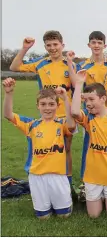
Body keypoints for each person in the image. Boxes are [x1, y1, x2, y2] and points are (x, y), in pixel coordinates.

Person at [9, 31, 77, 191]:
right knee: (45, 148)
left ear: (62, 45)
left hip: (65, 116)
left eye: (55, 44)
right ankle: (44, 181)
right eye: (49, 45)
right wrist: (25, 48)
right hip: (47, 115)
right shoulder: (40, 63)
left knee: (65, 149)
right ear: (45, 46)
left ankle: (67, 182)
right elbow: (14, 67)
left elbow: (76, 84)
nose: (53, 48)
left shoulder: (70, 63)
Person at [3, 78, 75, 219]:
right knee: (43, 217)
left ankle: (65, 201)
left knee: (64, 216)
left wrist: (66, 99)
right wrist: (9, 93)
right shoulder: (31, 124)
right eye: (43, 104)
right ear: (38, 106)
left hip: (58, 175)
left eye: (51, 104)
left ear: (57, 105)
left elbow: (72, 125)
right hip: (37, 176)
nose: (47, 108)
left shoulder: (62, 124)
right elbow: (8, 115)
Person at [70, 70, 107, 218]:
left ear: (103, 98)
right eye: (86, 100)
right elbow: (74, 111)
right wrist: (78, 84)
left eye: (92, 99)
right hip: (93, 174)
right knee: (94, 215)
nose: (88, 104)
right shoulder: (89, 118)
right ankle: (98, 193)